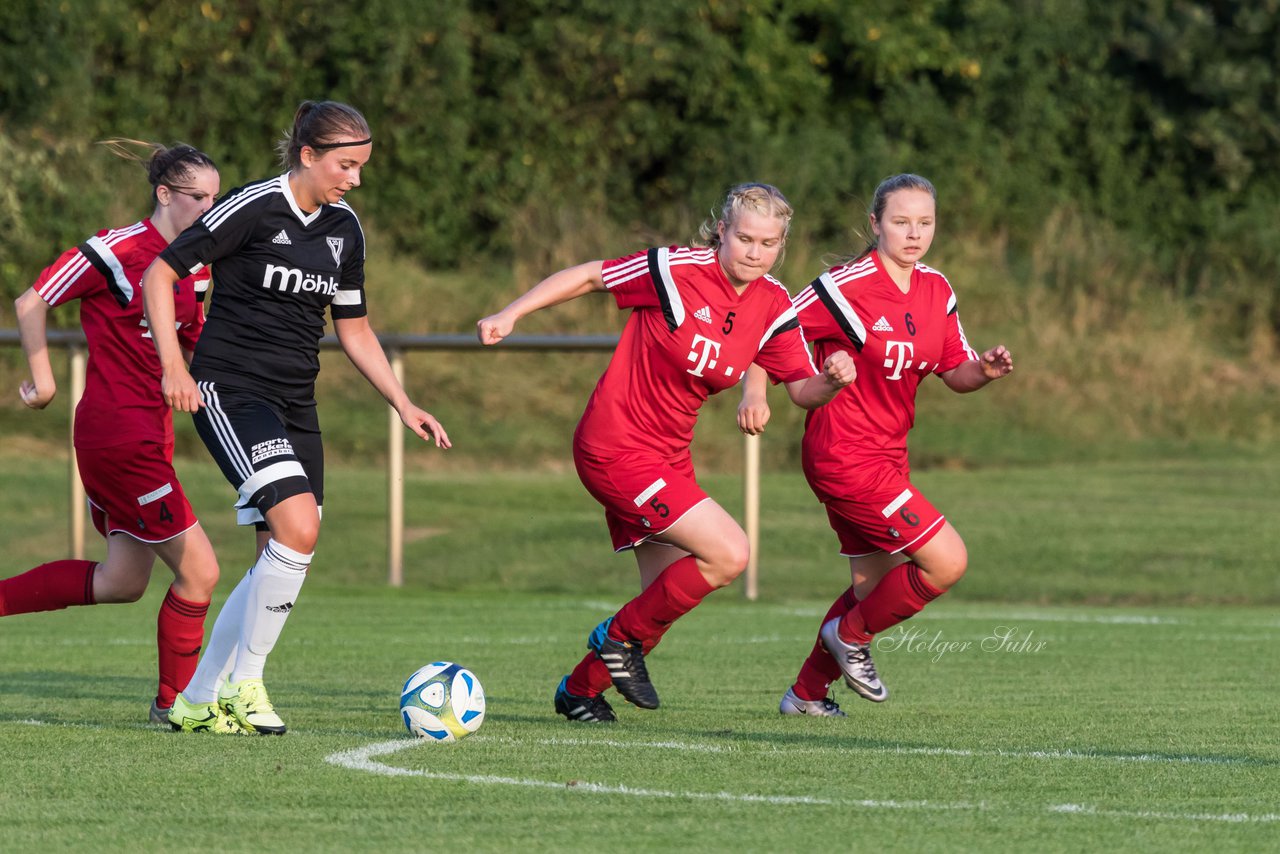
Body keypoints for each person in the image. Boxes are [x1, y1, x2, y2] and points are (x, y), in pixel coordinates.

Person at [477, 183, 856, 722]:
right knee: (729, 553)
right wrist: (512, 313)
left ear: (781, 246)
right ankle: (614, 637)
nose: (754, 251)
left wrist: (831, 380)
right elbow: (589, 275)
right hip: (614, 444)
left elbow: (801, 390)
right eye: (744, 237)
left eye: (768, 243)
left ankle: (579, 691)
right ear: (722, 231)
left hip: (667, 457)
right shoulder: (676, 269)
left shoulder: (773, 303)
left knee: (658, 605)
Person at [142, 100, 451, 735]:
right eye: (345, 165)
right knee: (299, 528)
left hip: (296, 404)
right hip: (231, 390)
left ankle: (199, 698)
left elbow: (355, 329)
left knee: (280, 553)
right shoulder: (253, 207)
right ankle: (249, 683)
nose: (354, 180)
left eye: (362, 167)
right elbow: (159, 271)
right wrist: (174, 367)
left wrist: (403, 401)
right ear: (307, 155)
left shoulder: (345, 229)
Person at [740, 173, 1013, 717]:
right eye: (900, 221)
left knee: (872, 590)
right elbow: (766, 329)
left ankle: (806, 695)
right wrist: (754, 391)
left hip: (888, 455)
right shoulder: (846, 287)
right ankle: (852, 638)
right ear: (875, 224)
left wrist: (982, 371)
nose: (914, 234)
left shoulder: (937, 290)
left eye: (925, 223)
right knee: (946, 562)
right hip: (843, 454)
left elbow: (953, 372)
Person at [0, 140, 239, 731]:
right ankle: (175, 707)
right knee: (201, 572)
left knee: (122, 581)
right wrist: (44, 382)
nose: (209, 208)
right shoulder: (115, 250)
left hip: (149, 435)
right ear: (164, 195)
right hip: (117, 434)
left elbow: (189, 347)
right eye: (197, 198)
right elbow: (31, 301)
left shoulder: (197, 266)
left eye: (217, 197)